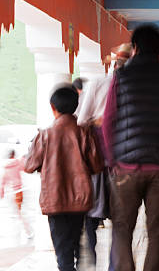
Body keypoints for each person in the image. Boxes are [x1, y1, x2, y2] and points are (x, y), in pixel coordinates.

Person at [102, 24, 159, 271]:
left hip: (126, 168)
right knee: (158, 230)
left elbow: (109, 121)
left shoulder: (120, 78)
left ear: (136, 49)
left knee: (122, 228)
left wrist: (113, 159)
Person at [24, 85, 104, 271]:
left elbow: (29, 166)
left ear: (53, 108)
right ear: (76, 106)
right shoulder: (84, 133)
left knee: (62, 250)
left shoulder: (44, 135)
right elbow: (97, 166)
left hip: (55, 199)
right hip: (79, 199)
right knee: (75, 241)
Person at [76, 42, 132, 269]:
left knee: (91, 214)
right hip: (125, 159)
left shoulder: (97, 83)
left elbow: (80, 120)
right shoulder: (135, 87)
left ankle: (90, 259)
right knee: (121, 220)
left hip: (97, 158)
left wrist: (97, 121)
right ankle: (114, 265)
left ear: (113, 63)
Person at [0, 149, 33, 238]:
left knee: (16, 213)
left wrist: (2, 192)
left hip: (11, 193)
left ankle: (22, 231)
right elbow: (26, 169)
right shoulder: (17, 163)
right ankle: (26, 231)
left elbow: (3, 181)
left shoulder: (6, 167)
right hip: (19, 191)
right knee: (19, 212)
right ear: (13, 155)